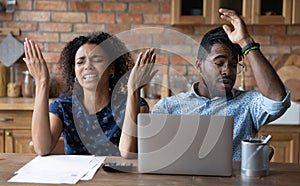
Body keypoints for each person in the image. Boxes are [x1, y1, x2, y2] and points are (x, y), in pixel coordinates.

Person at [152, 8, 291, 160]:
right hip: (183, 183)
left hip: (235, 183)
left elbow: (277, 99)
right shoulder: (169, 107)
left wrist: (246, 43)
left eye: (232, 65)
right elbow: (152, 153)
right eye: (219, 63)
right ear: (199, 65)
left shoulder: (248, 104)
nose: (227, 71)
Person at [23, 32, 156, 158]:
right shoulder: (63, 107)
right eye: (80, 62)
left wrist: (133, 90)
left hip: (117, 181)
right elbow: (42, 148)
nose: (87, 66)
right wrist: (42, 82)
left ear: (112, 68)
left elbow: (128, 153)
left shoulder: (134, 104)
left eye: (96, 59)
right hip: (76, 180)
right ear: (74, 71)